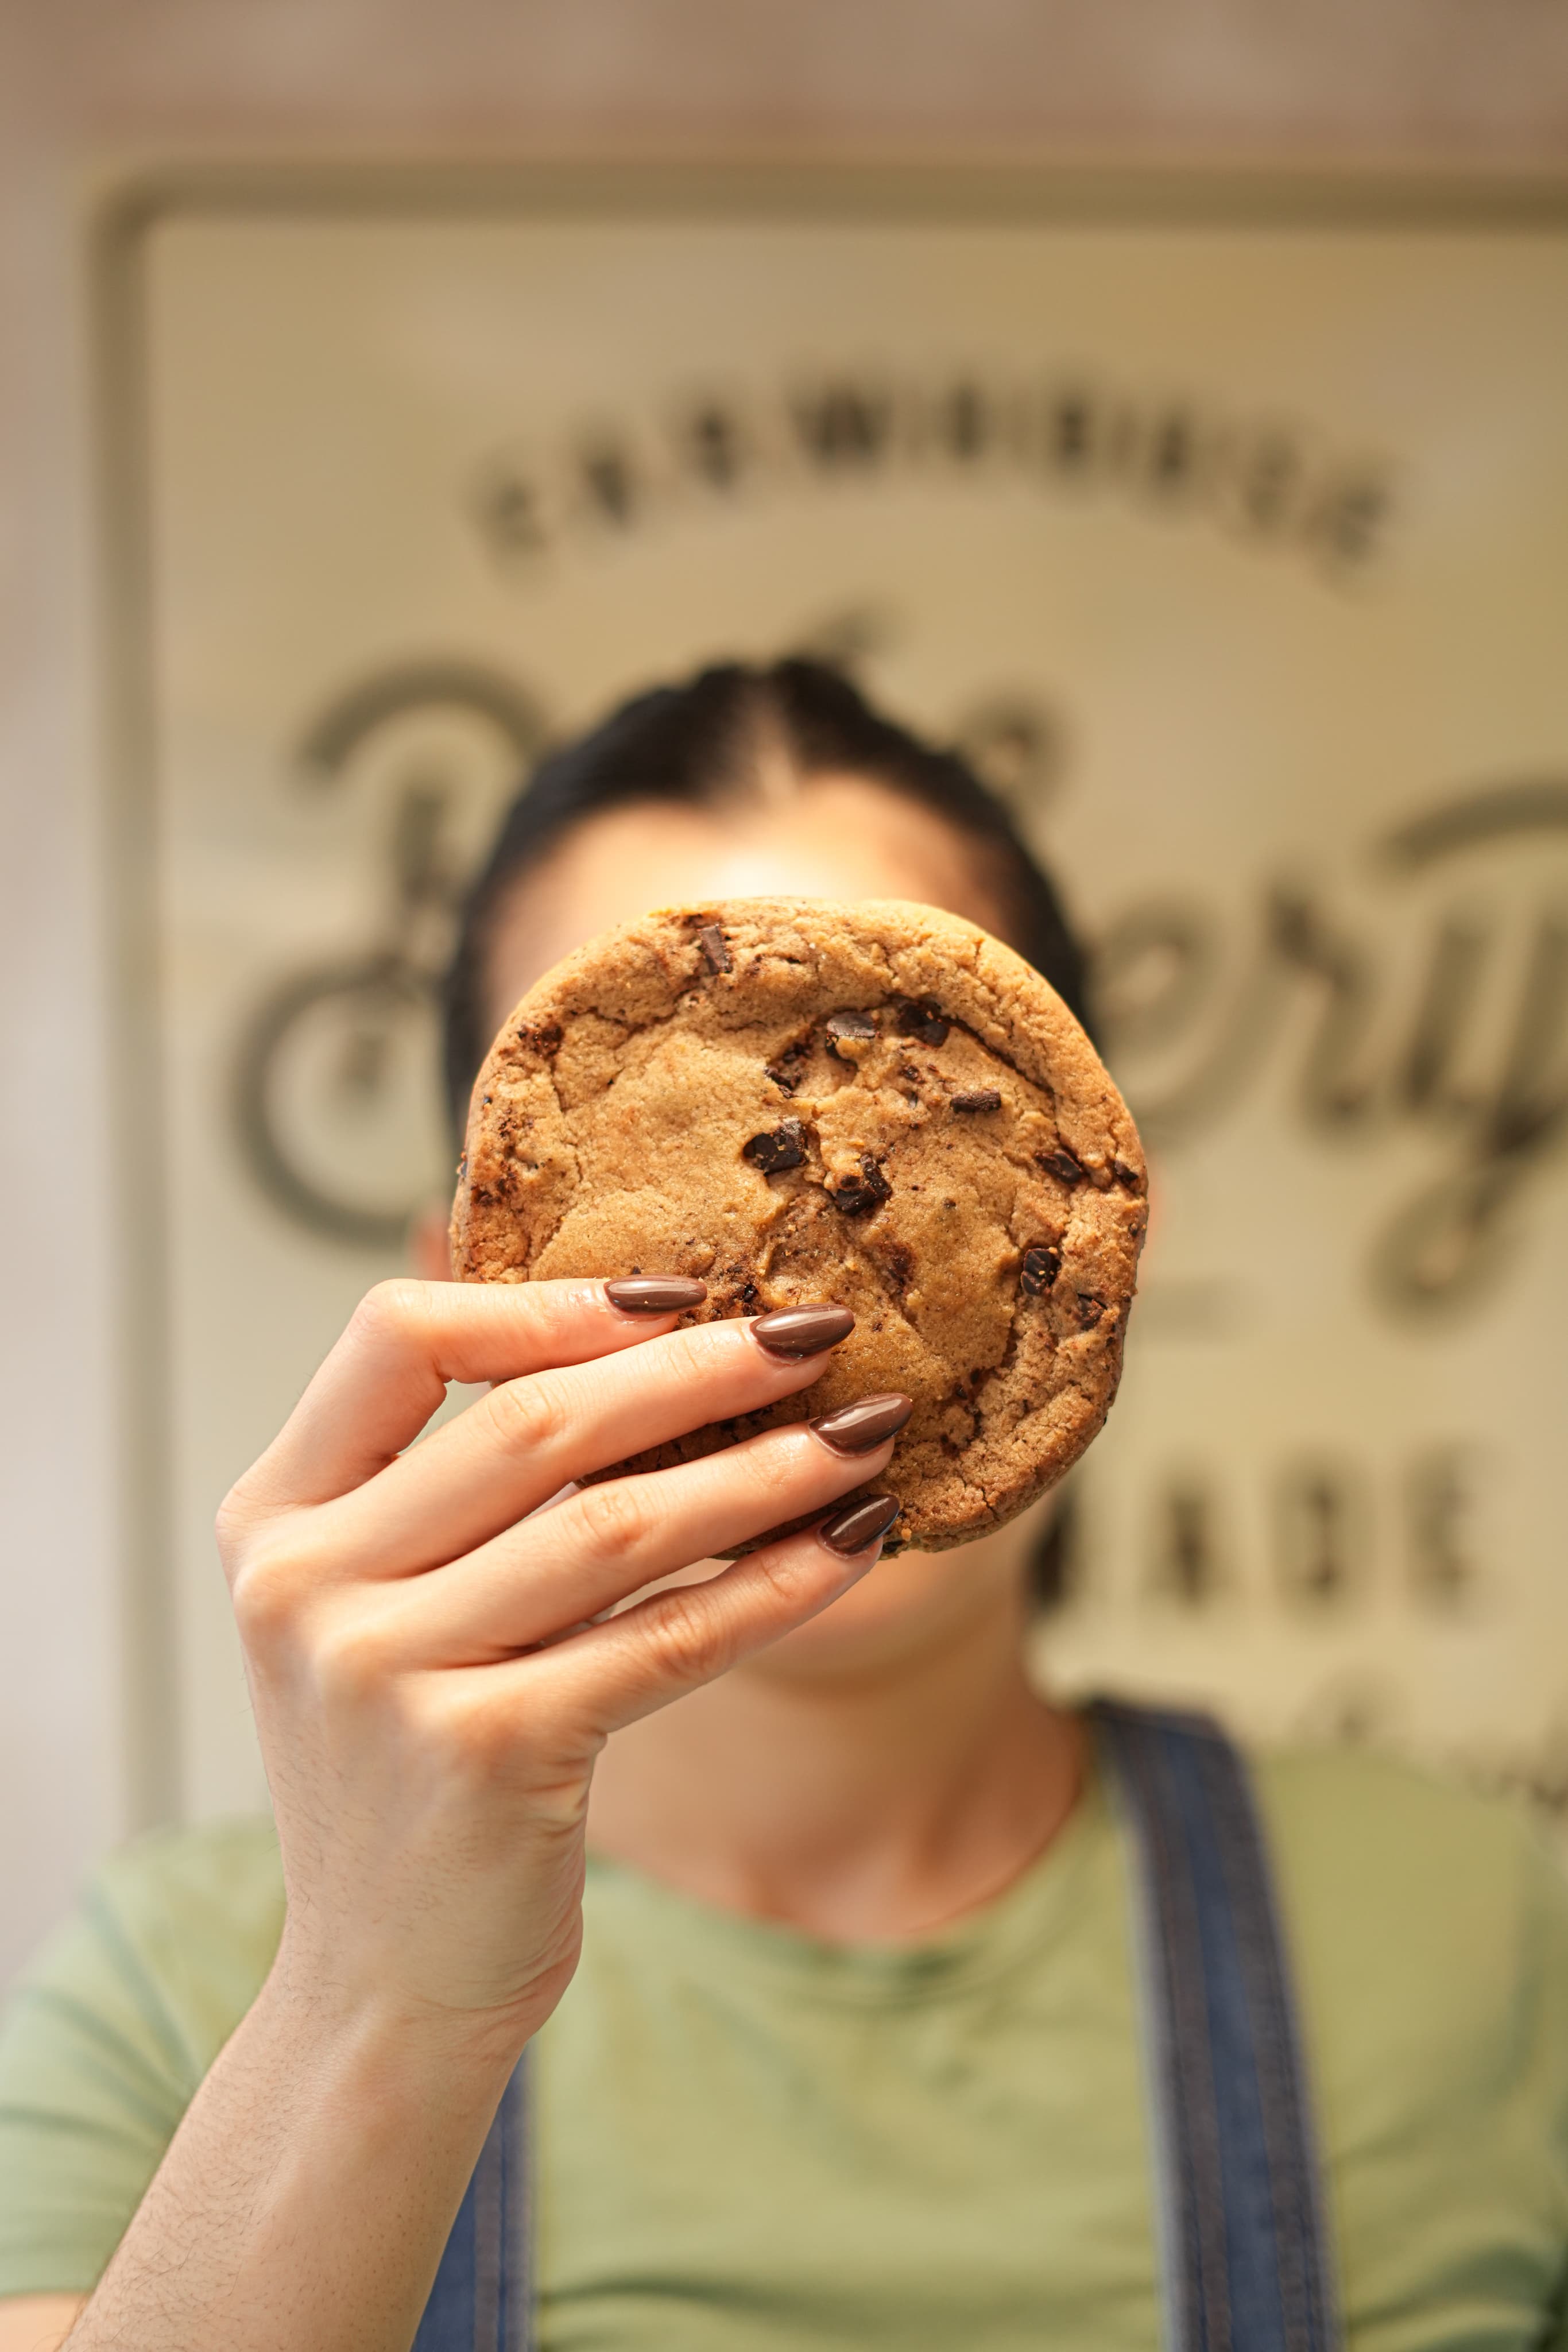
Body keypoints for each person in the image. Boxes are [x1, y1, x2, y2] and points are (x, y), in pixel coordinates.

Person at [1, 660, 1564, 2351]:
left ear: (1096, 1225)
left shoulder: (1480, 1931)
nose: (774, 1279)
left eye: (897, 1068)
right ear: (476, 1266)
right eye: (675, 1113)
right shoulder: (193, 1992)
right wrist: (374, 2008)